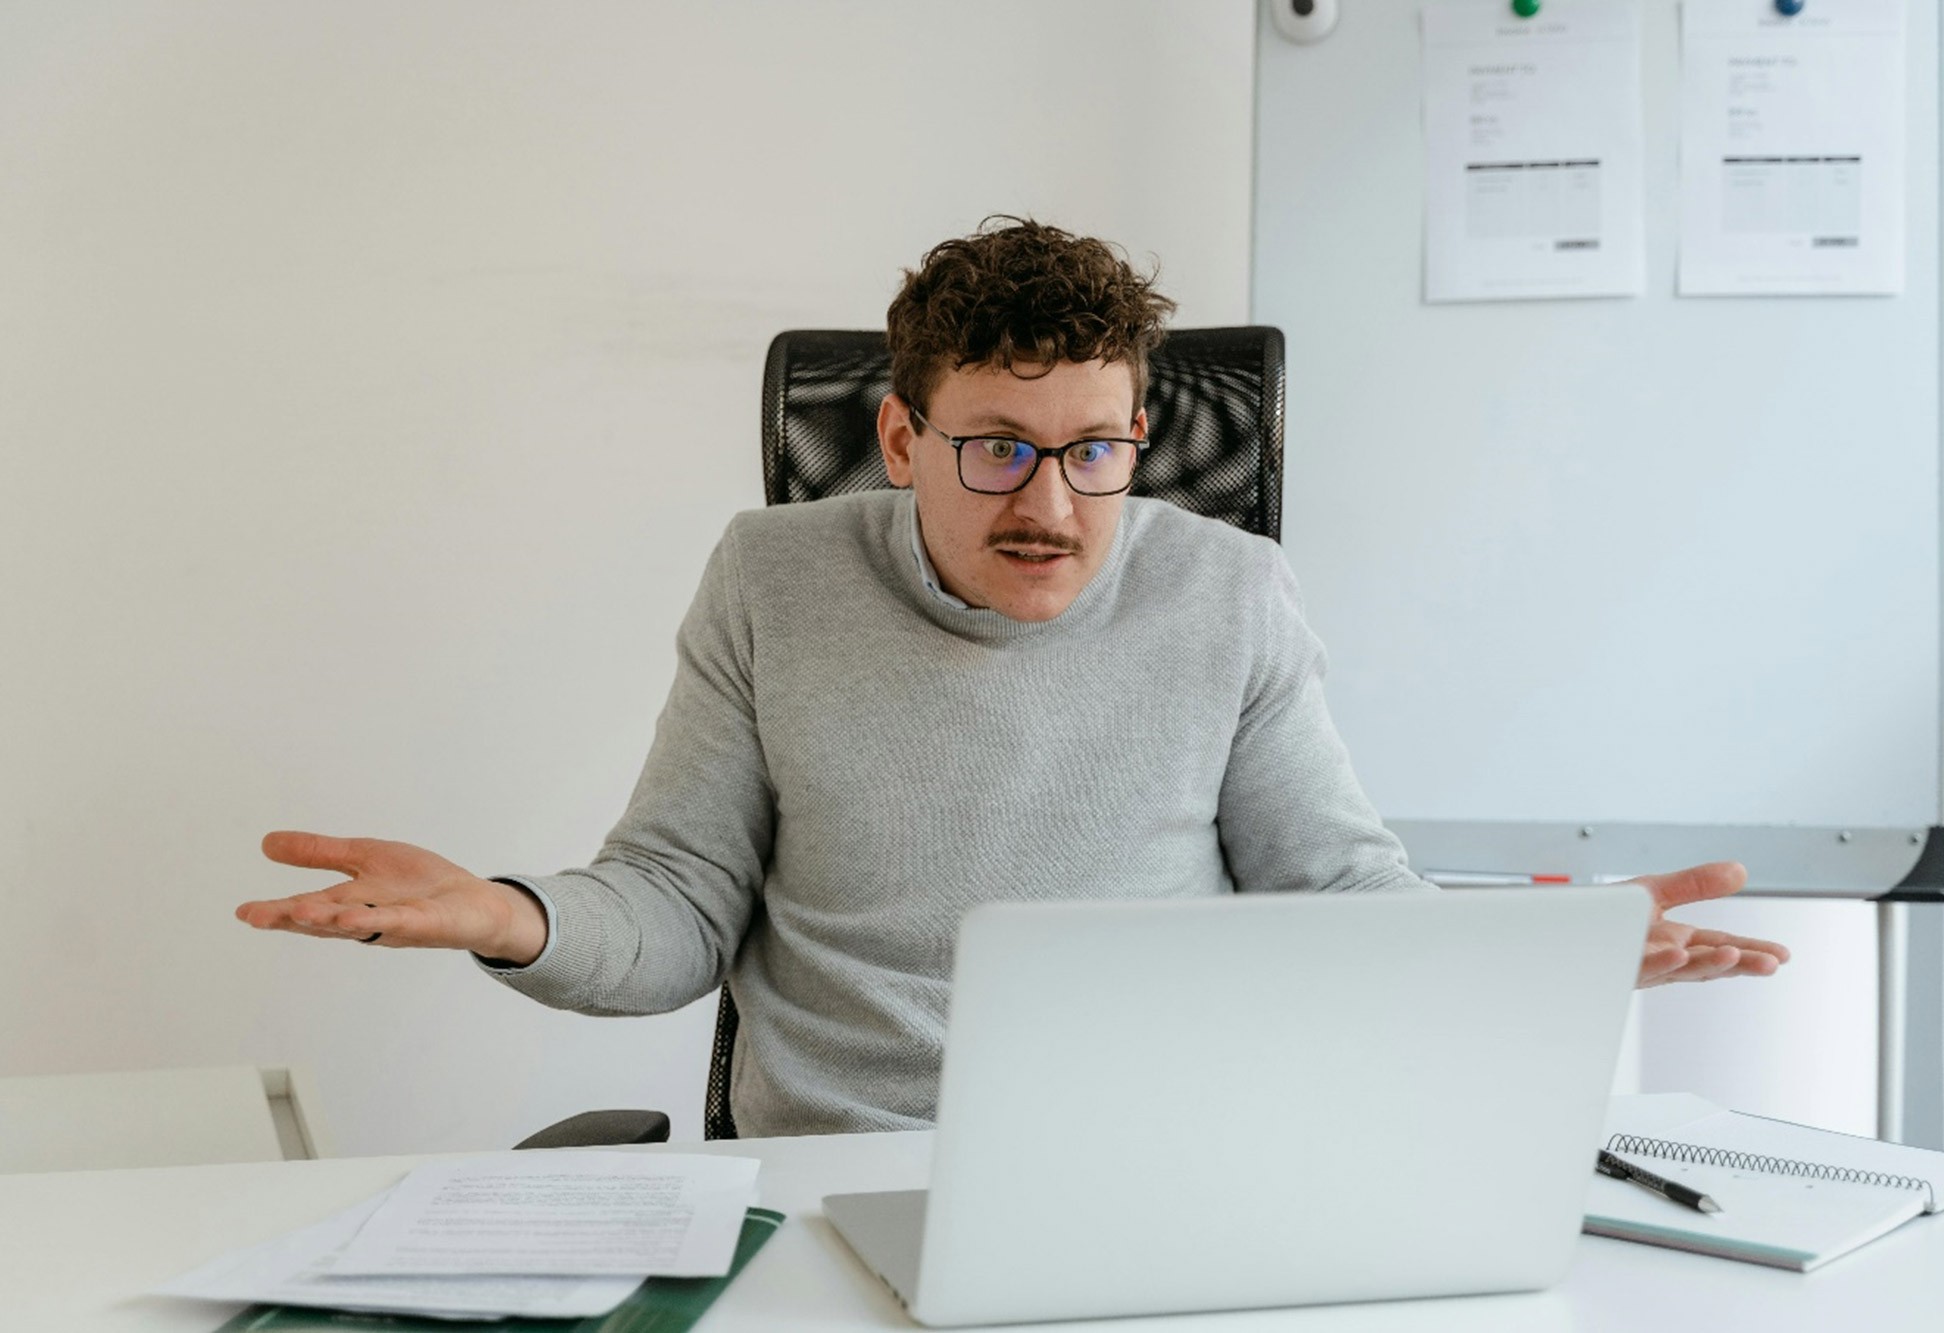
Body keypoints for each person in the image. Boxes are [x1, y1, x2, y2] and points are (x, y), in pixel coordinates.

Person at [237, 218, 1790, 1137]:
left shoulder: (1229, 592)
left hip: (1156, 1173)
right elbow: (677, 905)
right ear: (902, 437)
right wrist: (517, 912)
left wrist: (1535, 952)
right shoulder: (772, 578)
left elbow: (1337, 895)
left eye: (1096, 450)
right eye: (995, 449)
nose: (1049, 504)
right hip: (833, 1172)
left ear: (1141, 434)